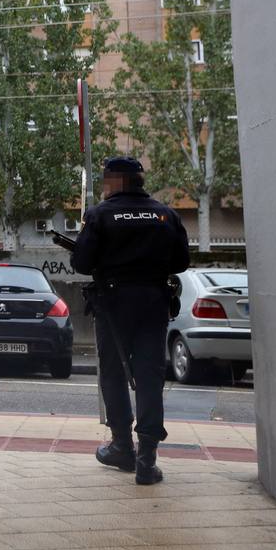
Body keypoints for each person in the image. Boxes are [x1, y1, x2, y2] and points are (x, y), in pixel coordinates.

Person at [72, 156, 189, 486]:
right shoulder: (166, 214)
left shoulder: (99, 215)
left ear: (112, 182)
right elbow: (181, 261)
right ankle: (147, 459)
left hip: (112, 305)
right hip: (153, 303)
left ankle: (122, 445)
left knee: (113, 372)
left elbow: (81, 262)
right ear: (139, 180)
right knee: (150, 376)